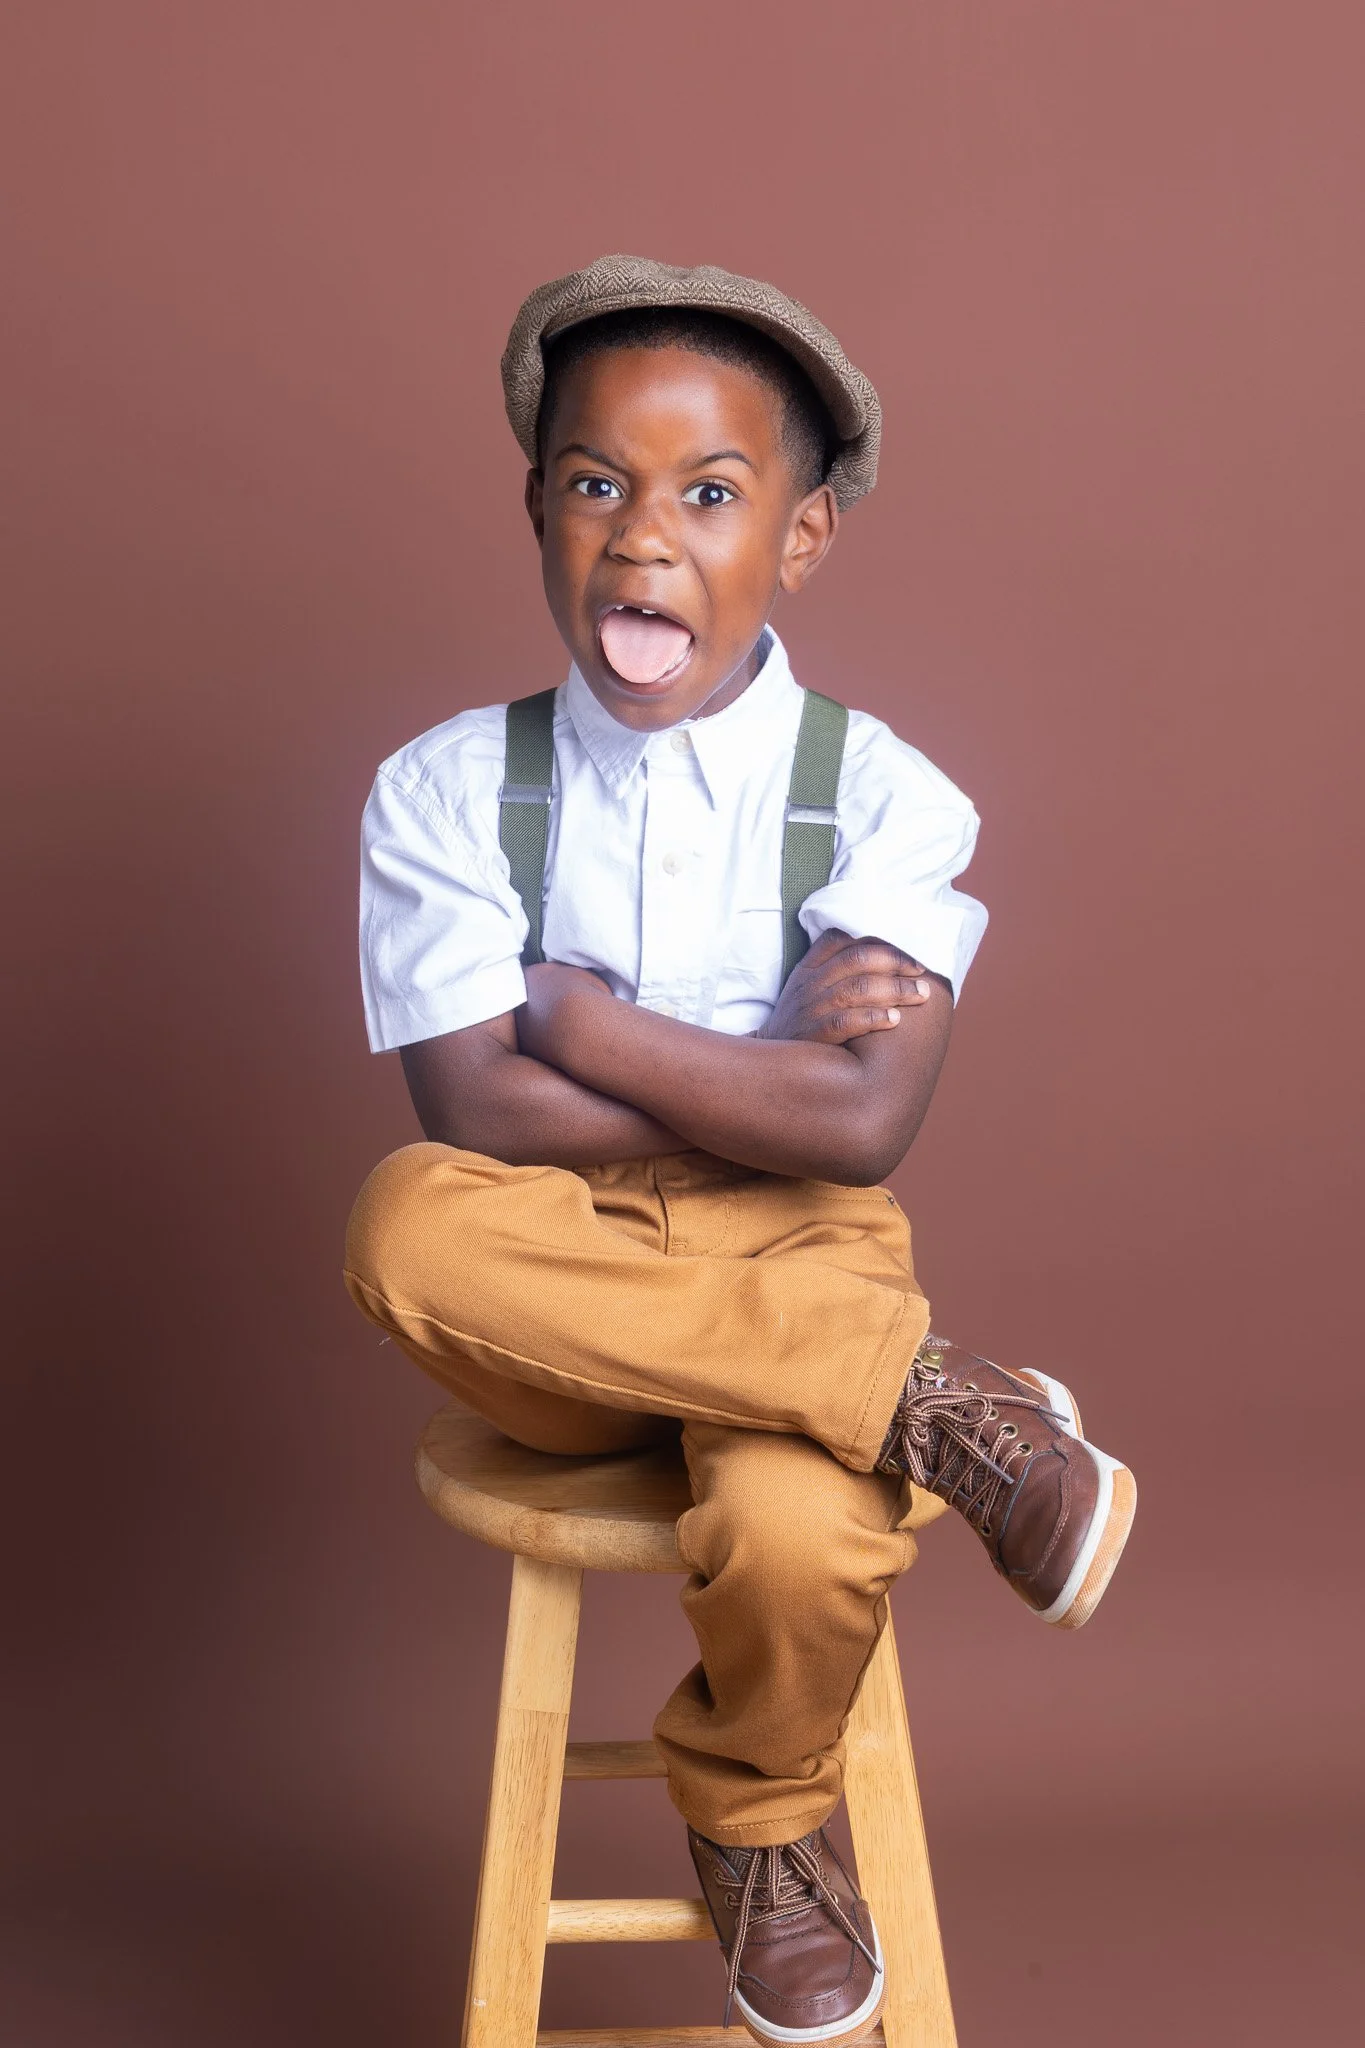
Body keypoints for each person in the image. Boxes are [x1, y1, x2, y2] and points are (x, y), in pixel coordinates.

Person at [344, 254, 1136, 2046]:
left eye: (710, 495)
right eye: (596, 485)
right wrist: (753, 1048)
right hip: (560, 1289)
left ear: (803, 537)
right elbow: (468, 1112)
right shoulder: (450, 787)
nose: (644, 543)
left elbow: (857, 1123)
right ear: (537, 509)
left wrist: (574, 1014)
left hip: (795, 1256)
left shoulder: (885, 795)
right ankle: (939, 1402)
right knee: (406, 1223)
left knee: (792, 1527)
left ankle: (764, 1830)